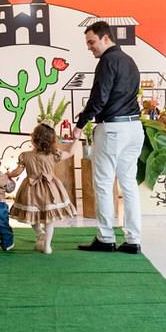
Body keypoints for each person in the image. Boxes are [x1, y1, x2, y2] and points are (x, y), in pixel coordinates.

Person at [75, 20, 144, 254]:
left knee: (104, 184)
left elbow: (99, 97)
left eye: (91, 42)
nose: (89, 47)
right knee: (129, 185)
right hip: (134, 128)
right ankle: (133, 240)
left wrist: (80, 125)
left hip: (113, 130)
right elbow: (117, 96)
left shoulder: (107, 61)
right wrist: (92, 112)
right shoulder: (129, 61)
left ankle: (105, 238)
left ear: (106, 38)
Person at [8, 123, 80, 255]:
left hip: (31, 188)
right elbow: (70, 153)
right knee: (49, 219)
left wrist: (9, 175)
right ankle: (47, 246)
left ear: (34, 138)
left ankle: (40, 232)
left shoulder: (25, 156)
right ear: (52, 141)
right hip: (50, 188)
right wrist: (76, 139)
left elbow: (17, 172)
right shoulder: (53, 154)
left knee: (31, 215)